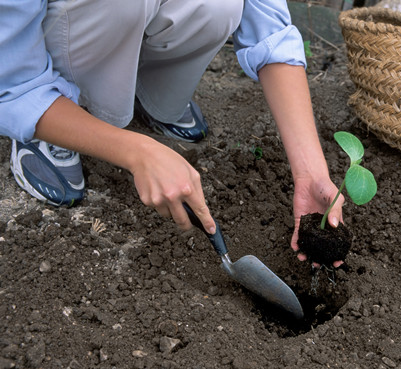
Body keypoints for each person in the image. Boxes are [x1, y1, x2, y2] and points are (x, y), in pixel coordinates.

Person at [0, 0, 344, 263]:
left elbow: (269, 29)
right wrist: (139, 152)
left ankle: (155, 95)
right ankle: (57, 116)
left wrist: (310, 172)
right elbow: (12, 84)